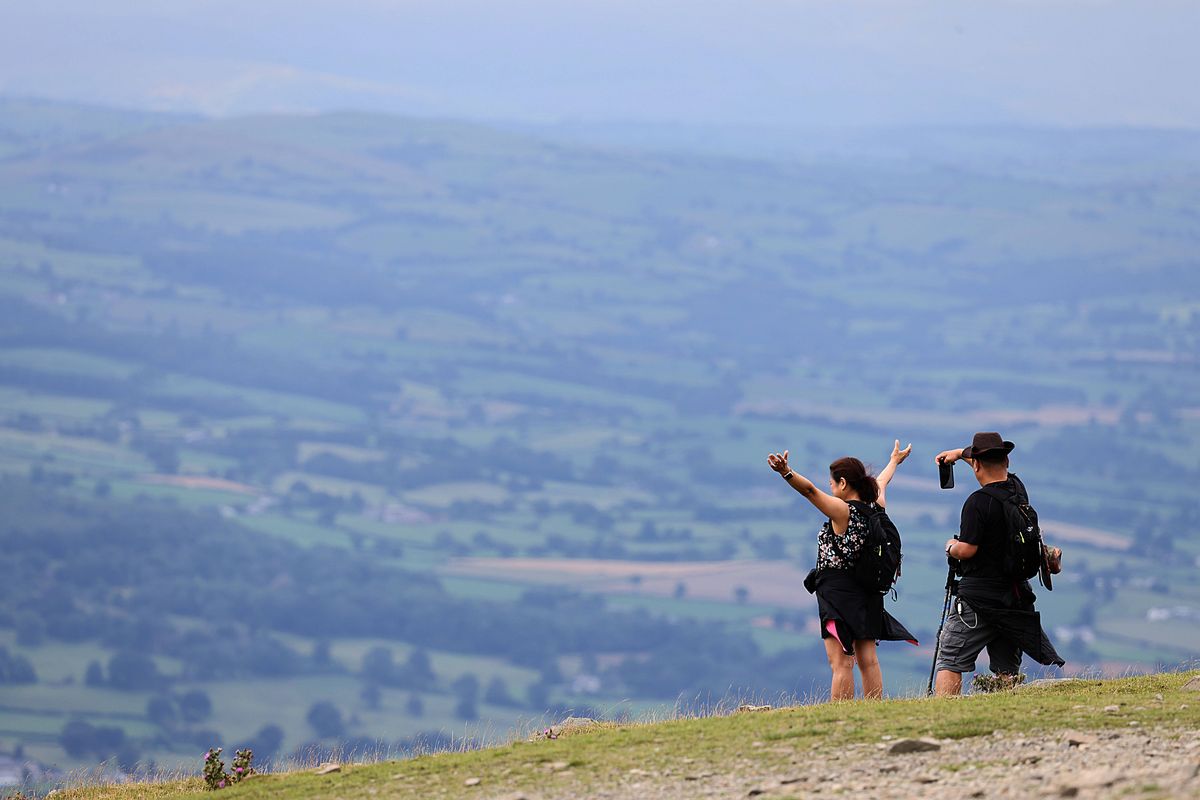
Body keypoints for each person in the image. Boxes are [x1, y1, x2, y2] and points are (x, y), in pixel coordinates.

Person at [767, 441, 918, 701]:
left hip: (838, 594)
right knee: (868, 659)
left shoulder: (843, 511)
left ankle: (840, 716)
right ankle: (874, 711)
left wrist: (786, 473)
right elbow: (882, 481)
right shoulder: (875, 506)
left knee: (841, 662)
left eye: (833, 482)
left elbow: (810, 491)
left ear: (844, 484)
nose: (830, 486)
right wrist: (894, 461)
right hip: (868, 590)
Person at [932, 432, 1065, 695]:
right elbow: (987, 464)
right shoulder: (1017, 490)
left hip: (979, 598)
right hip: (1015, 598)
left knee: (950, 657)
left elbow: (968, 550)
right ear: (1006, 461)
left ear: (977, 465)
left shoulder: (977, 503)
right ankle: (1006, 709)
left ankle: (942, 713)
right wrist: (960, 453)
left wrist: (950, 546)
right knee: (1006, 666)